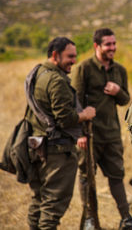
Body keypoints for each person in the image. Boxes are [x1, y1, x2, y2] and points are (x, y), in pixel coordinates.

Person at [26, 37, 96, 230]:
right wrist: (86, 114)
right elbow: (65, 119)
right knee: (53, 206)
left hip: (37, 144)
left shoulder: (39, 72)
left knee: (39, 201)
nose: (74, 61)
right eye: (70, 56)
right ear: (55, 55)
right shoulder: (56, 80)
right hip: (56, 151)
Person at [71, 28, 132, 230]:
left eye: (114, 43)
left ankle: (126, 218)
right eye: (108, 44)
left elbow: (125, 100)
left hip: (112, 134)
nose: (112, 48)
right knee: (87, 178)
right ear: (96, 46)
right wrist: (79, 133)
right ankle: (90, 220)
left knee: (117, 176)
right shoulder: (84, 68)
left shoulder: (120, 70)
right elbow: (76, 102)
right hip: (89, 136)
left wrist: (117, 91)